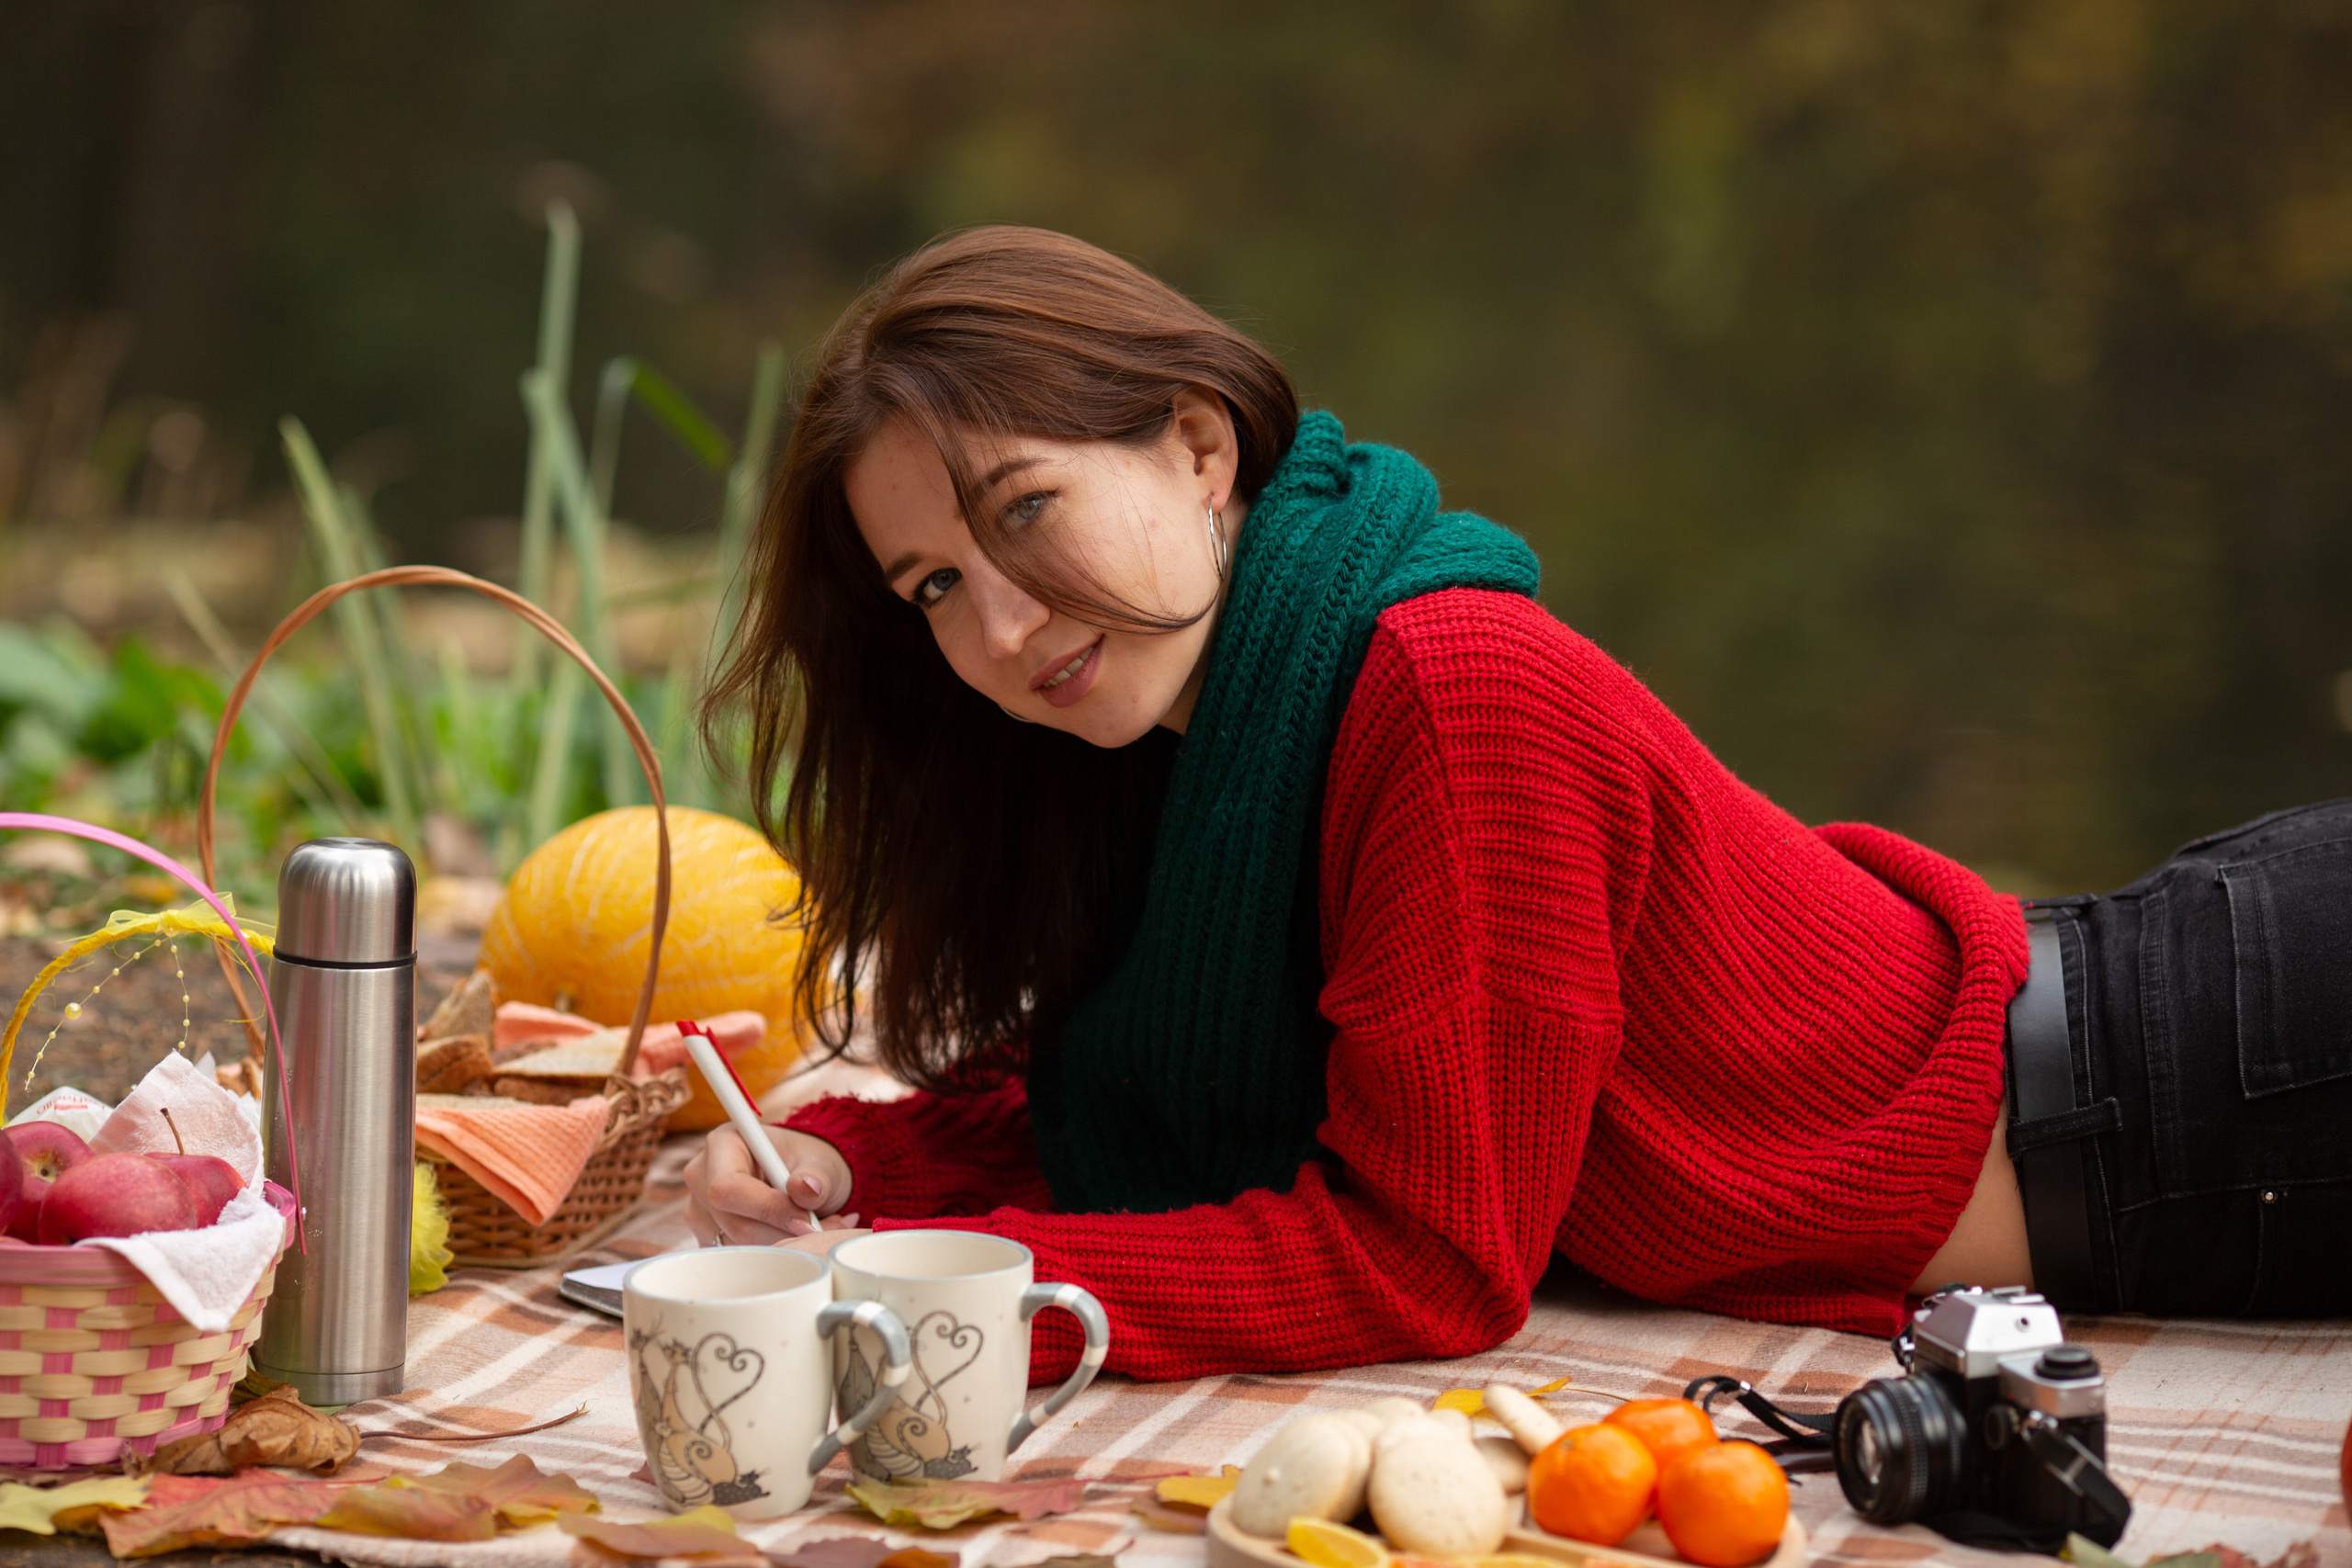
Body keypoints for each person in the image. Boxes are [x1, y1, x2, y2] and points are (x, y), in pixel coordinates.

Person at [685, 226, 2352, 1382]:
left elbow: (1423, 1259)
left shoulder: (1439, 685)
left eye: (1026, 507)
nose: (999, 623)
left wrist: (918, 1294)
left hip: (2220, 1097)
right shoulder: (1207, 742)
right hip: (2159, 1024)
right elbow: (1138, 1096)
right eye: (930, 588)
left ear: (1199, 448)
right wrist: (858, 1176)